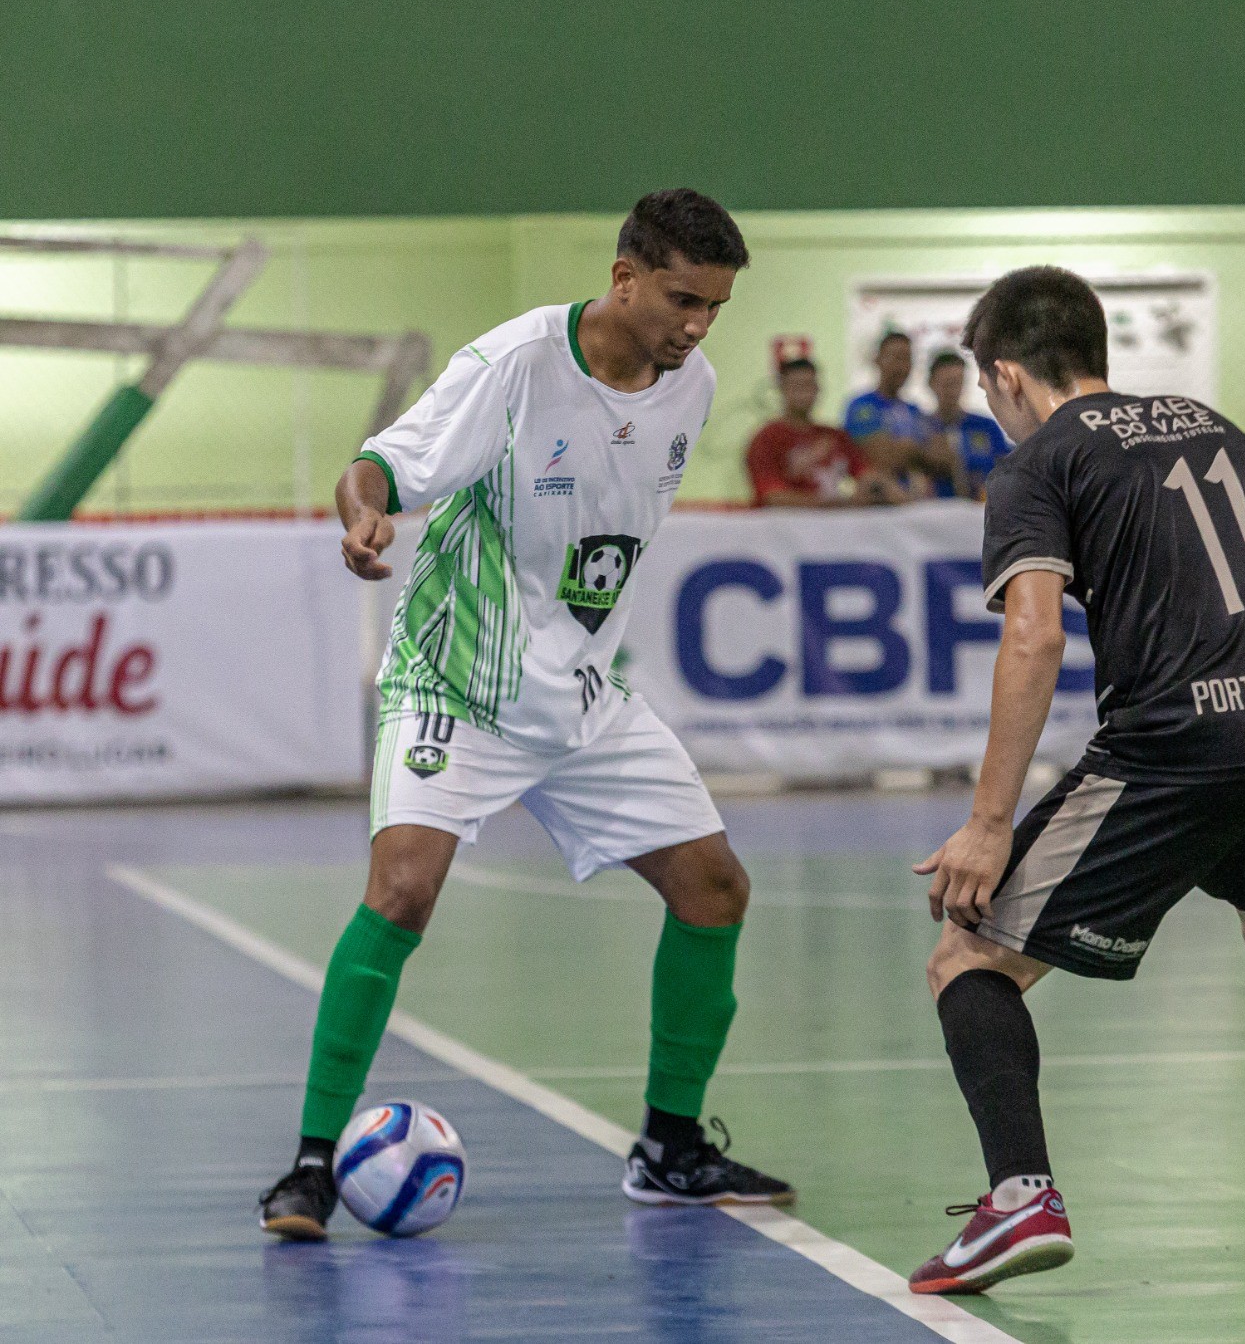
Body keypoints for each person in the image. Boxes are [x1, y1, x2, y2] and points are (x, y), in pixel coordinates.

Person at [908, 266, 1245, 1295]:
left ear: (1006, 374)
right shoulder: (1223, 433)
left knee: (966, 957)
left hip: (1177, 742)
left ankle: (1020, 1199)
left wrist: (987, 822)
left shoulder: (1038, 463)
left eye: (987, 388)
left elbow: (1032, 637)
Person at [258, 190, 793, 1240]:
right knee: (401, 892)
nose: (697, 326)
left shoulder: (691, 386)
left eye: (715, 308)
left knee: (715, 889)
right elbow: (378, 465)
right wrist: (364, 518)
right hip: (457, 682)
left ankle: (670, 1147)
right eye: (682, 299)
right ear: (624, 277)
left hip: (583, 694)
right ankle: (312, 1165)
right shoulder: (514, 366)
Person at [746, 357, 902, 507]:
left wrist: (888, 491)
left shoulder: (835, 436)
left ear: (818, 389)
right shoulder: (766, 439)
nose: (803, 393)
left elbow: (866, 474)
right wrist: (838, 504)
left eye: (809, 385)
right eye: (796, 385)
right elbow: (772, 497)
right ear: (782, 389)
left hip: (833, 522)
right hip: (786, 524)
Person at [844, 330, 958, 493]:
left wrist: (908, 450)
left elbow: (947, 460)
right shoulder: (862, 406)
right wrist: (921, 453)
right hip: (880, 502)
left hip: (920, 502)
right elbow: (882, 458)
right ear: (878, 359)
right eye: (896, 358)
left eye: (907, 359)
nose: (902, 367)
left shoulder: (916, 411)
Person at [925, 350, 1009, 499]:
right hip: (934, 509)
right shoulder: (922, 428)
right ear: (931, 383)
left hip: (982, 507)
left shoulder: (986, 427)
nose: (953, 391)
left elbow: (1008, 472)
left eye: (958, 383)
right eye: (947, 384)